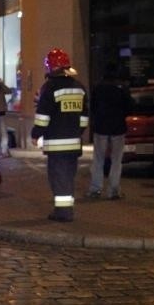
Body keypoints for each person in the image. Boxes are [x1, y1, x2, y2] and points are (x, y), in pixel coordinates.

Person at [31, 48, 88, 222]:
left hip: (56, 143)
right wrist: (77, 132)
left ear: (50, 67)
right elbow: (85, 116)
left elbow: (43, 116)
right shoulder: (79, 87)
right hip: (74, 142)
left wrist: (35, 134)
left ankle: (63, 213)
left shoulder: (50, 87)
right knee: (68, 176)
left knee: (58, 176)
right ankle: (67, 208)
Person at [87, 62, 133, 200]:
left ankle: (96, 189)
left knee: (98, 159)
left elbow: (93, 106)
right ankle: (114, 190)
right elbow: (129, 107)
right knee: (116, 160)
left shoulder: (98, 87)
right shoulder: (122, 87)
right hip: (118, 127)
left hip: (101, 127)